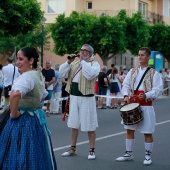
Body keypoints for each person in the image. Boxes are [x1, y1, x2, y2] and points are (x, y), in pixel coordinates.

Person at [0, 47, 57, 169]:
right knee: (35, 154)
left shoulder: (26, 77)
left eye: (21, 59)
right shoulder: (38, 75)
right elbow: (43, 96)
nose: (18, 62)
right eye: (17, 59)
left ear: (31, 60)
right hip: (35, 120)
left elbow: (15, 94)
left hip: (23, 122)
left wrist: (14, 114)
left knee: (18, 154)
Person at [116, 47, 163, 165]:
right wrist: (126, 95)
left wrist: (146, 95)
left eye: (142, 55)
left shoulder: (154, 73)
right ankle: (128, 153)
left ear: (148, 57)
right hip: (132, 103)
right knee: (129, 130)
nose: (140, 57)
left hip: (146, 105)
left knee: (147, 131)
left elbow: (158, 89)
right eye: (139, 55)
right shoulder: (132, 71)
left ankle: (148, 155)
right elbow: (126, 85)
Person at [59, 44, 100, 160]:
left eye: (85, 51)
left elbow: (90, 74)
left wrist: (82, 62)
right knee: (73, 124)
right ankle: (72, 148)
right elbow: (62, 74)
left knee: (90, 124)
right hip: (74, 96)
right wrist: (68, 62)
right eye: (81, 50)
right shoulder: (74, 64)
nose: (82, 52)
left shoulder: (94, 64)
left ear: (91, 53)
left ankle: (91, 150)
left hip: (87, 98)